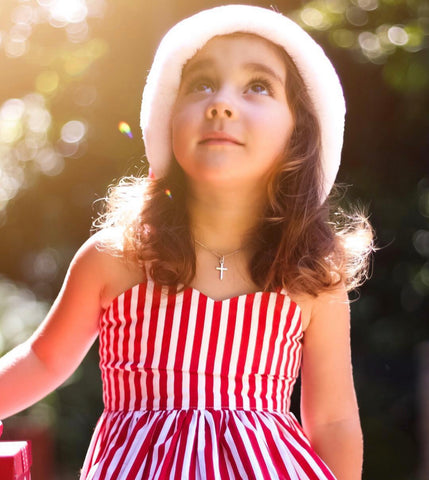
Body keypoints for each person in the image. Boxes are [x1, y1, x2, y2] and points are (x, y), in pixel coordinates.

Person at [0, 5, 374, 480]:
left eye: (258, 86)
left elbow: (333, 421)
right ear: (167, 118)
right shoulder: (115, 258)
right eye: (200, 84)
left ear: (298, 132)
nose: (221, 103)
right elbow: (43, 359)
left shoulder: (312, 277)